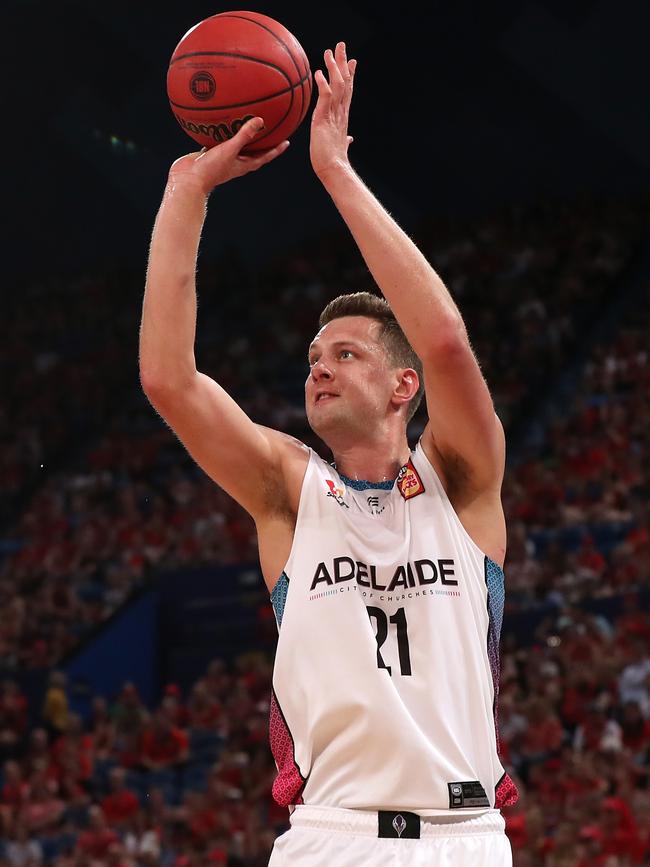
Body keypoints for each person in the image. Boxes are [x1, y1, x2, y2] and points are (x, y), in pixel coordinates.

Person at [140, 40, 517, 867]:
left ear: (401, 386)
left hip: (465, 840)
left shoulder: (460, 477)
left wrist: (335, 173)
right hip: (330, 838)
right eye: (313, 355)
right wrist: (186, 193)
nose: (319, 363)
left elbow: (448, 340)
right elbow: (170, 380)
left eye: (346, 353)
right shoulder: (287, 488)